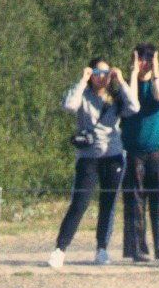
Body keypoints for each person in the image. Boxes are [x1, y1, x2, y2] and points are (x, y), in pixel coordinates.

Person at [49, 57, 137, 268]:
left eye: (106, 74)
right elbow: (69, 106)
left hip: (113, 156)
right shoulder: (84, 95)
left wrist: (122, 80)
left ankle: (102, 249)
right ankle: (60, 249)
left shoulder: (116, 97)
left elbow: (134, 107)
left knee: (108, 204)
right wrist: (82, 80)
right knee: (79, 204)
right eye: (97, 73)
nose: (101, 78)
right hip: (88, 158)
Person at [121, 42, 159, 263]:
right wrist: (133, 74)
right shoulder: (128, 85)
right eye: (141, 58)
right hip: (134, 149)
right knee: (135, 200)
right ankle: (137, 248)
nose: (145, 63)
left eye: (149, 58)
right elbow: (131, 103)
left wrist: (156, 73)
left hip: (158, 149)